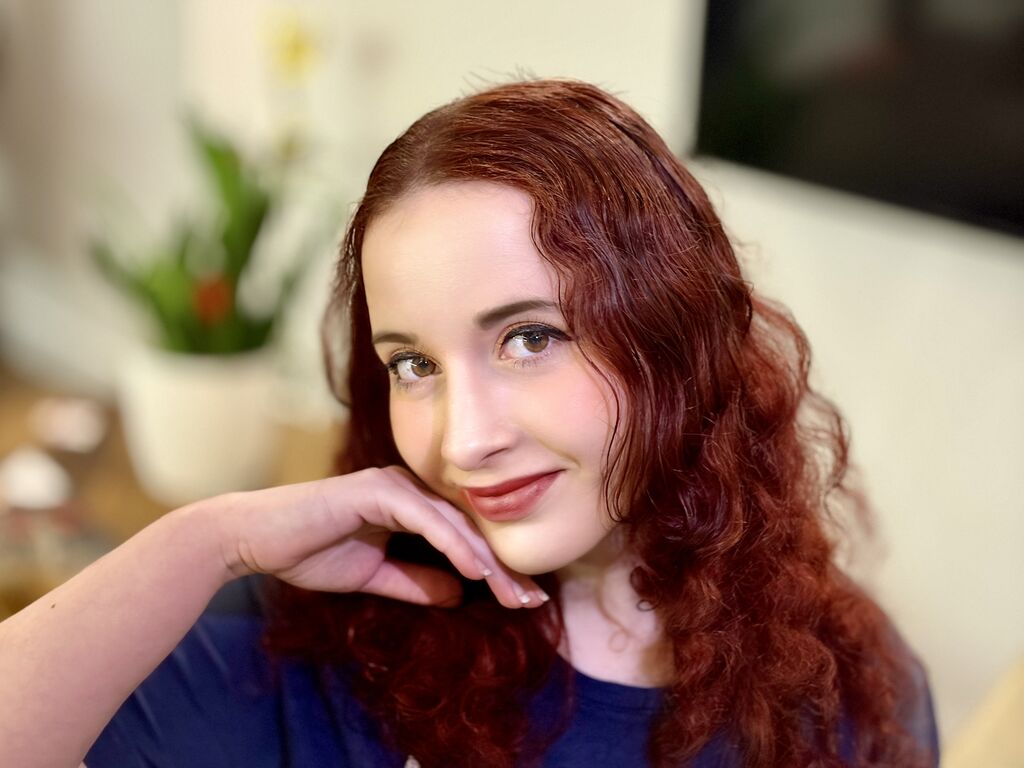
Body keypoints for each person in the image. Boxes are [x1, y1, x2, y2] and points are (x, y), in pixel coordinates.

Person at [0, 79, 939, 768]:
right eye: (413, 365)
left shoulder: (845, 687)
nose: (463, 441)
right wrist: (212, 541)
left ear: (675, 336)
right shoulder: (313, 647)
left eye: (530, 339)